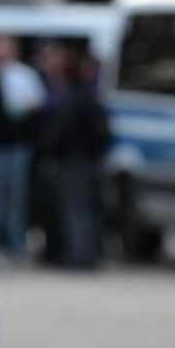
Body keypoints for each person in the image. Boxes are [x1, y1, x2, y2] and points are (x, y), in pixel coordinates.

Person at [35, 42, 110, 269]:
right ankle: (88, 252)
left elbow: (60, 131)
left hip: (72, 159)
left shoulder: (69, 97)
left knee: (75, 209)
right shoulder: (88, 95)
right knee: (86, 208)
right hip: (86, 158)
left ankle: (80, 254)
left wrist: (51, 148)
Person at [0, 36, 45, 257]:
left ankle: (15, 243)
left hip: (16, 145)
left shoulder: (23, 74)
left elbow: (37, 103)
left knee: (15, 197)